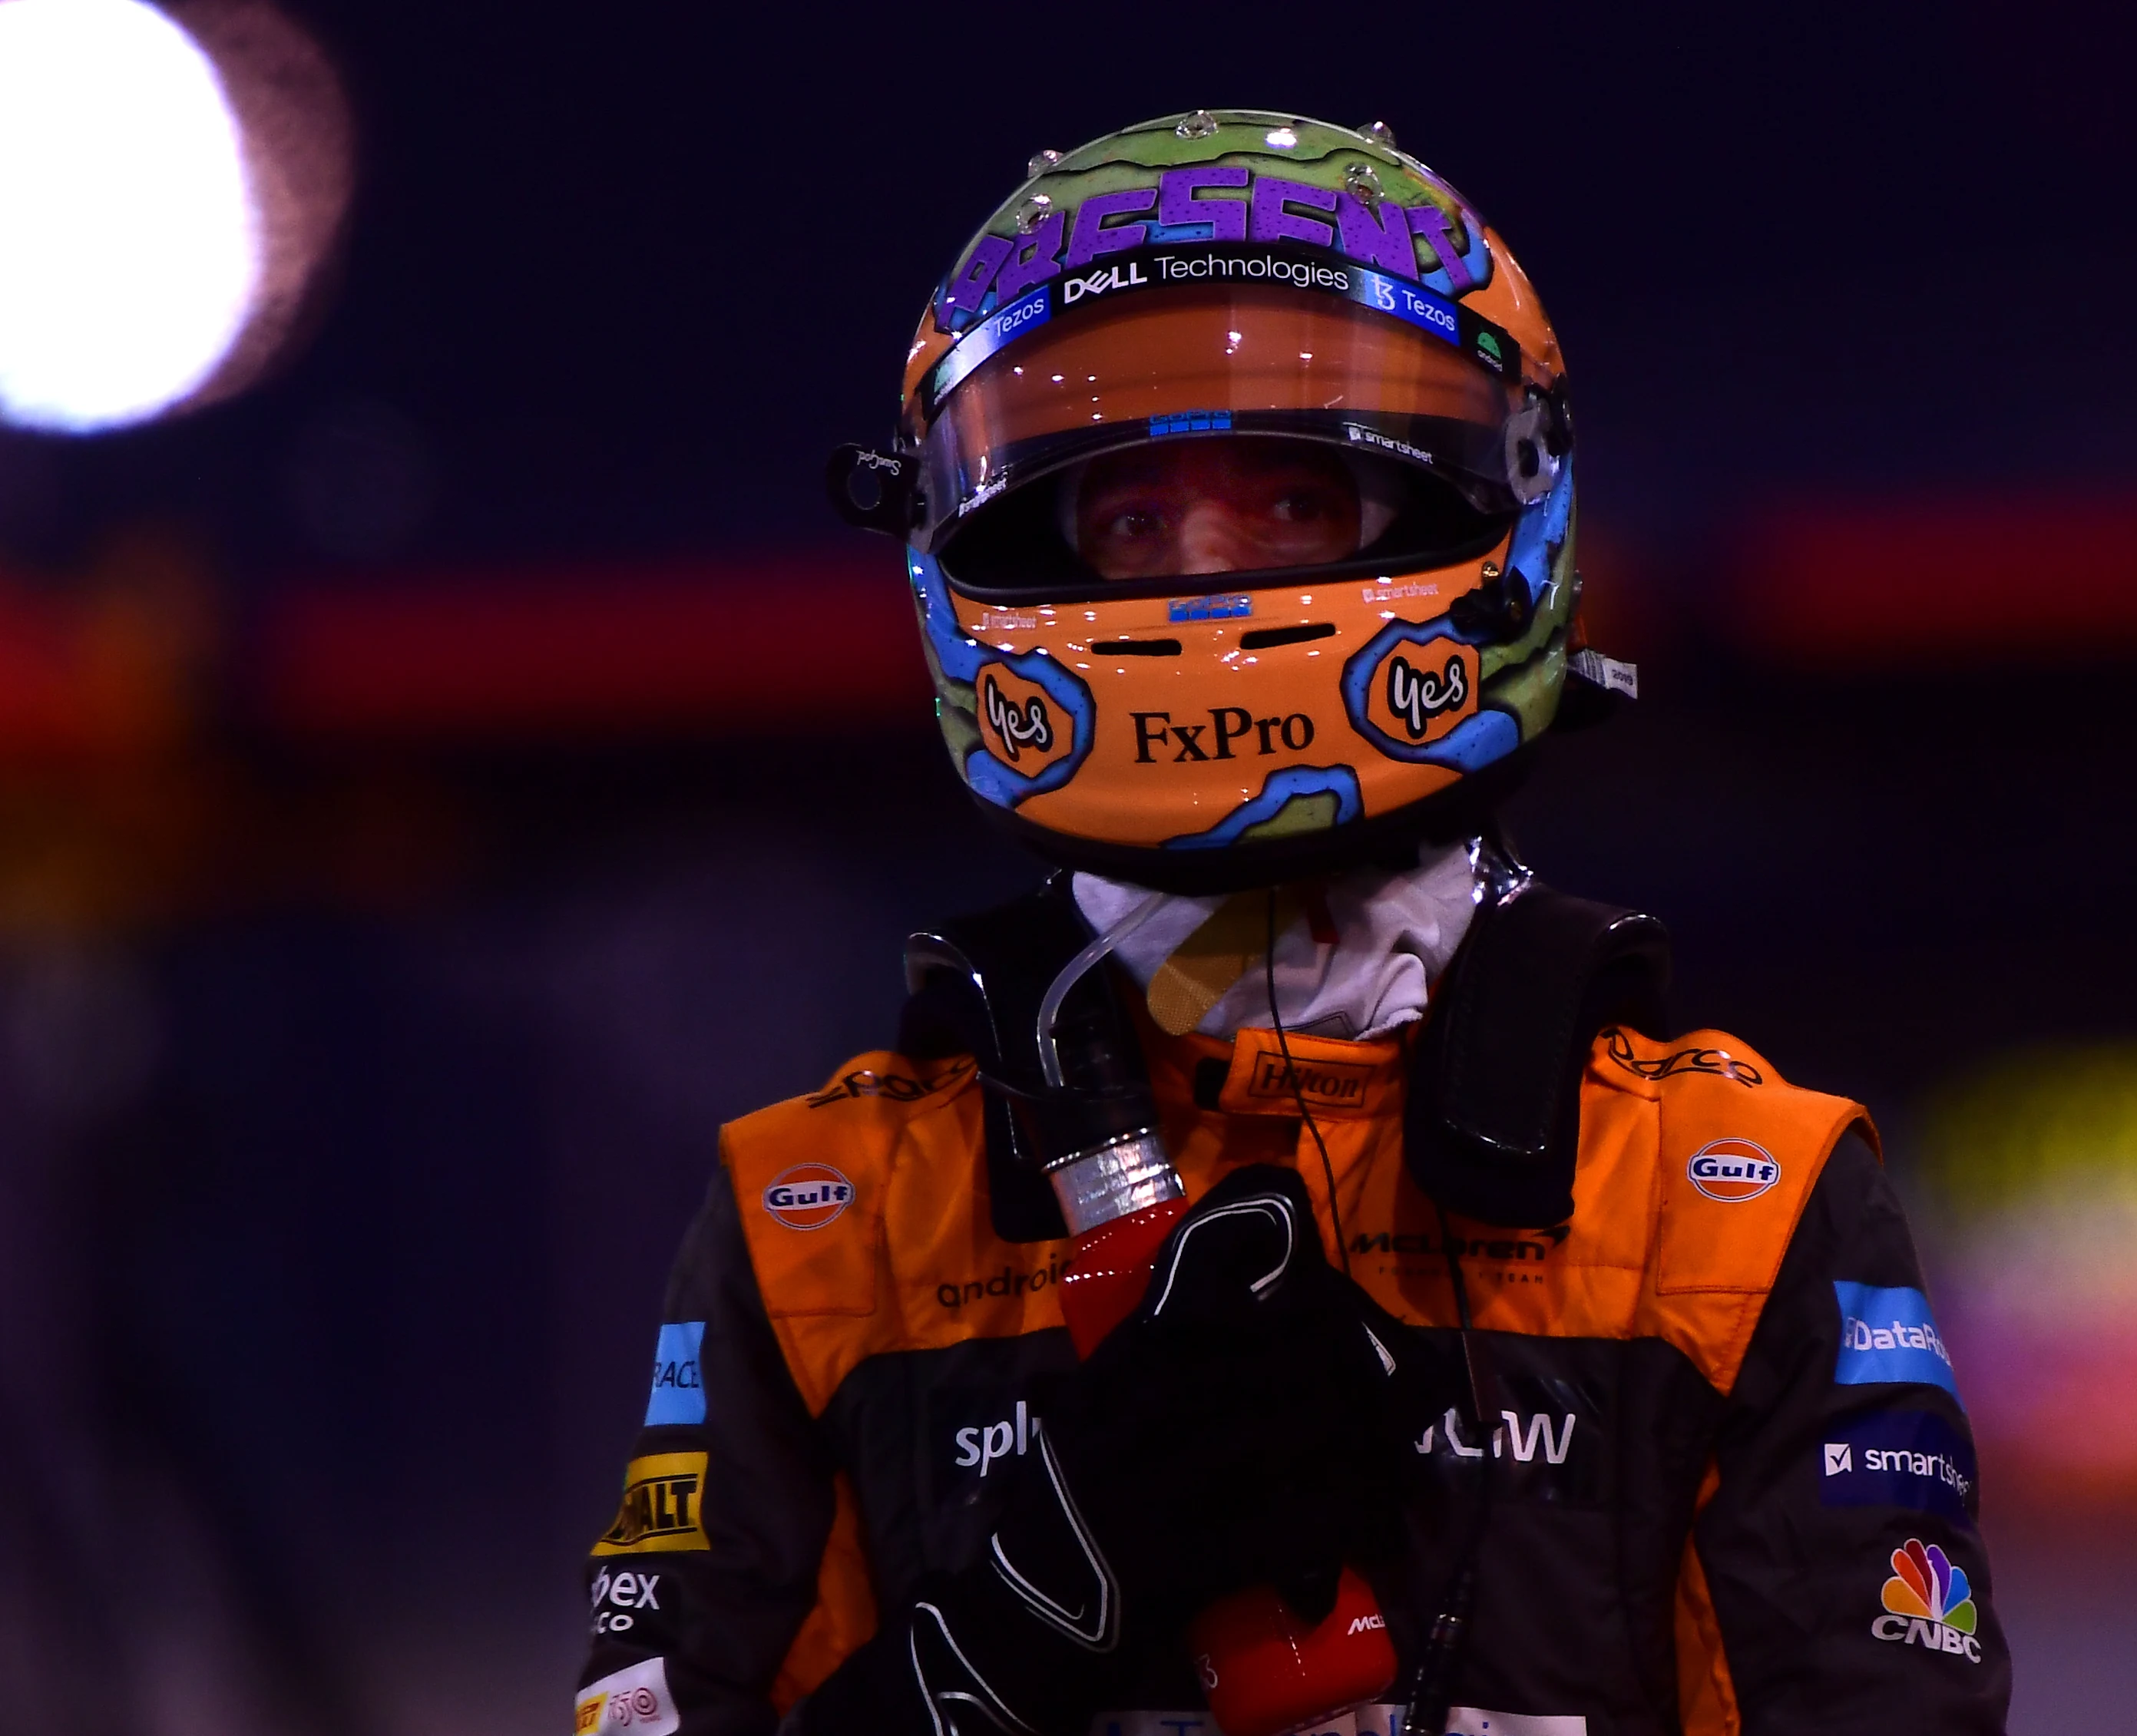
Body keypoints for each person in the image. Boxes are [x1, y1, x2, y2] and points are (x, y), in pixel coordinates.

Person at [574, 111, 2010, 1736]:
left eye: (1290, 502)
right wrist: (1036, 1603)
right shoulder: (818, 1219)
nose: (1201, 571)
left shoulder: (1732, 1199)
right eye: (1125, 518)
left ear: (1477, 495)